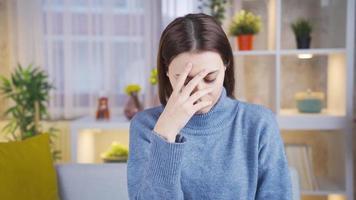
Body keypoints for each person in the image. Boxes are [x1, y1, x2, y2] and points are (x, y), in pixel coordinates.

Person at [127, 13, 292, 200]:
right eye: (186, 80)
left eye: (210, 78)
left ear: (226, 65)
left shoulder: (259, 123)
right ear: (166, 72)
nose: (200, 91)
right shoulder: (144, 126)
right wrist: (166, 134)